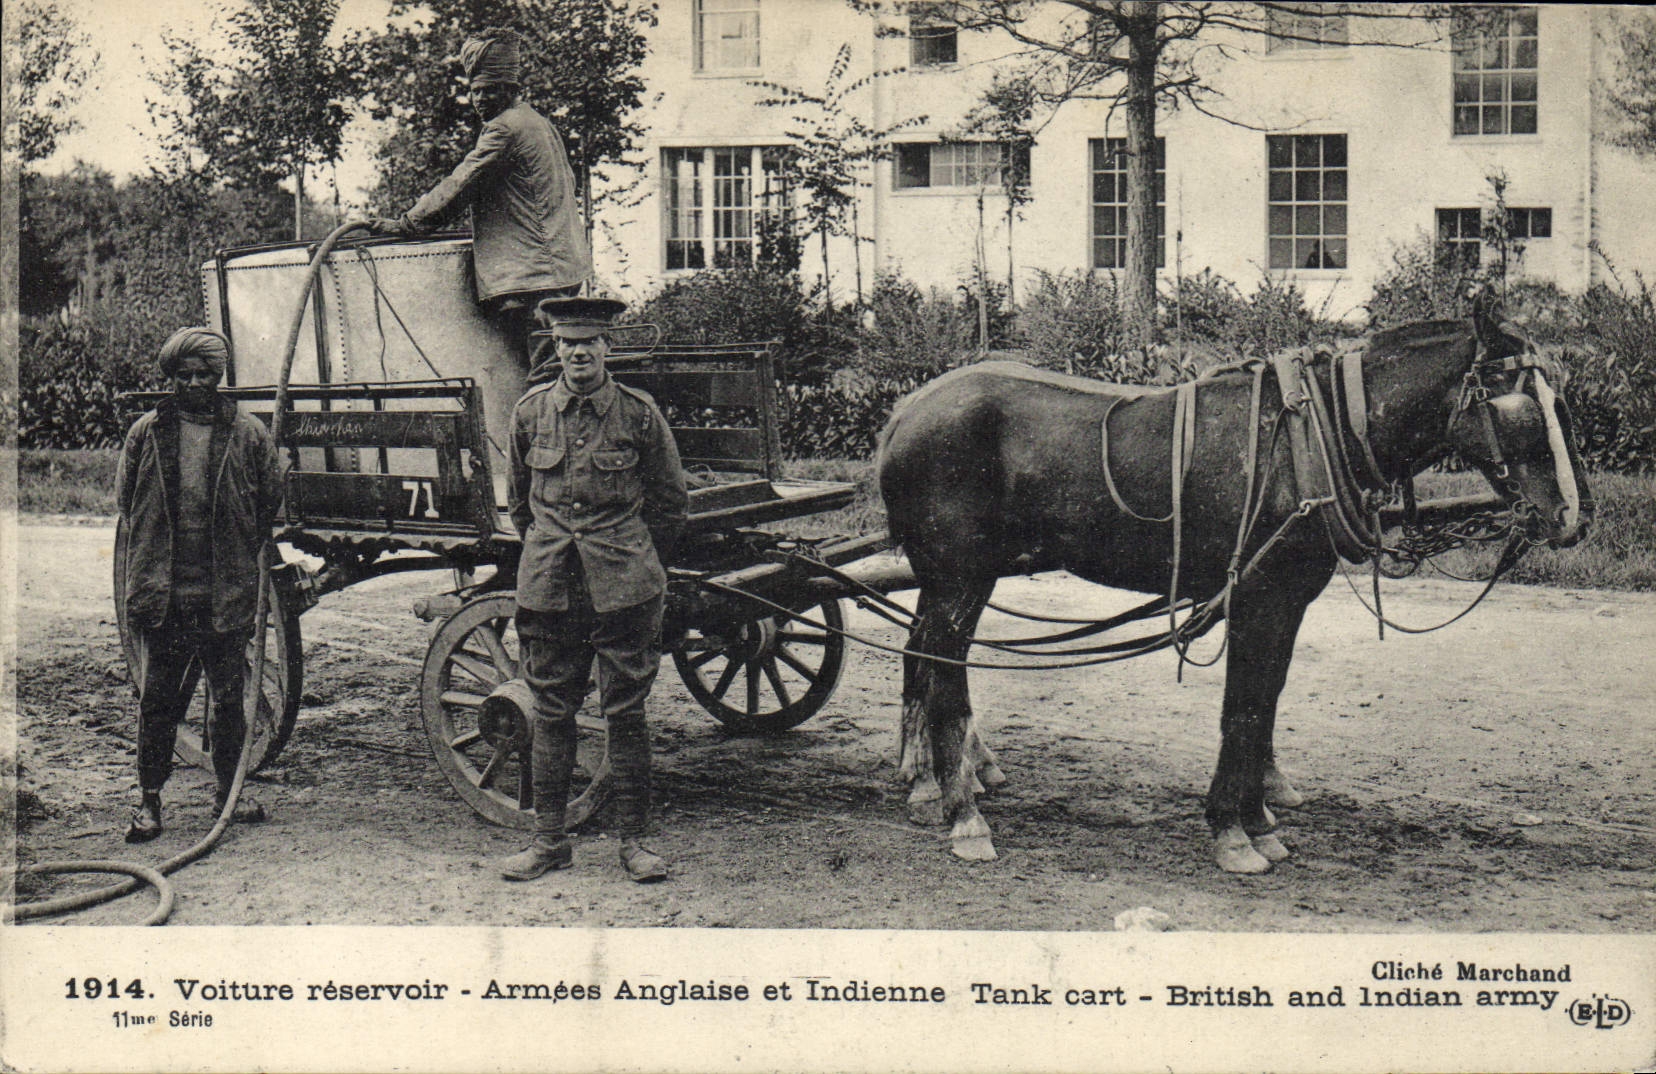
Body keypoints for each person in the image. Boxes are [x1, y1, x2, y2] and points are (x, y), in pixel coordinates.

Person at [501, 296, 689, 884]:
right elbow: (519, 505)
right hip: (552, 587)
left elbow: (669, 503)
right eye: (566, 344)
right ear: (554, 349)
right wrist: (552, 552)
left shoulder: (637, 414)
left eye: (589, 343)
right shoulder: (531, 414)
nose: (578, 353)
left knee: (625, 714)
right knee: (553, 712)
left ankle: (635, 843)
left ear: (607, 347)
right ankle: (549, 841)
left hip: (624, 590)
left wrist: (630, 560)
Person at [115, 327, 283, 842]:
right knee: (158, 701)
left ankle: (227, 796)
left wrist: (234, 555)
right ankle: (149, 803)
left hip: (222, 598)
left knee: (229, 702)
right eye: (183, 374)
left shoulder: (248, 433)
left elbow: (267, 503)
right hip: (165, 598)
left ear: (219, 377)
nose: (193, 383)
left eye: (204, 374)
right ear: (171, 376)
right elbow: (126, 502)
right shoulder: (146, 433)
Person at [373, 30, 592, 353]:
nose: (479, 100)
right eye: (475, 92)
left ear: (511, 90)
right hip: (558, 270)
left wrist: (408, 224)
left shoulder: (504, 128)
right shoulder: (537, 122)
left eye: (489, 92)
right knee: (555, 366)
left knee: (545, 374)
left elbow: (461, 184)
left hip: (534, 279)